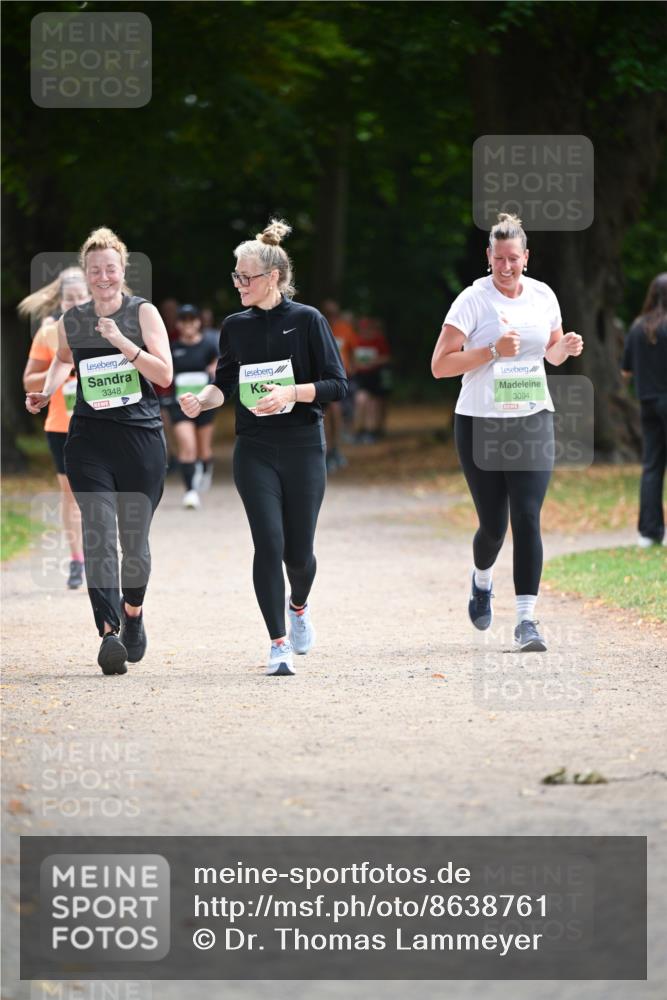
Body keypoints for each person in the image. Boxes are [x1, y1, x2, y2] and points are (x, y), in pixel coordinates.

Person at [179, 219, 347, 676]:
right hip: (254, 448)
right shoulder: (235, 326)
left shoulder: (308, 320)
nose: (237, 284)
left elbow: (337, 385)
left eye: (245, 277)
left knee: (299, 554)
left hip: (302, 446)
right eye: (235, 276)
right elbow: (225, 385)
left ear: (272, 277)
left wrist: (292, 393)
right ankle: (277, 645)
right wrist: (202, 402)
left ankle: (298, 606)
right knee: (268, 544)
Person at [431, 213, 583, 652]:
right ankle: (481, 580)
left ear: (526, 257)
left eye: (513, 258)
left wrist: (564, 349)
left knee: (528, 517)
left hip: (532, 416)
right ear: (488, 257)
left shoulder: (543, 296)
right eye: (498, 258)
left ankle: (527, 621)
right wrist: (493, 350)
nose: (506, 266)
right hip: (480, 422)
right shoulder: (472, 301)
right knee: (494, 527)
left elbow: (550, 356)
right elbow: (440, 365)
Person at [26, 227, 173, 676]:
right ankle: (108, 632)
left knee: (136, 545)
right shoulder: (74, 319)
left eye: (111, 268)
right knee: (99, 535)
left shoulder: (143, 313)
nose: (104, 276)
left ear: (123, 269)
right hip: (89, 440)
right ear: (87, 275)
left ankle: (132, 613)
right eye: (96, 270)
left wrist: (122, 343)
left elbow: (165, 374)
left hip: (141, 441)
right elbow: (64, 360)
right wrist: (45, 392)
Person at [19, 267, 89, 589]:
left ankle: (102, 554)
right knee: (71, 496)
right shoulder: (47, 335)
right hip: (61, 425)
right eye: (69, 299)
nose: (74, 304)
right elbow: (28, 380)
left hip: (99, 424)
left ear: (90, 297)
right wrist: (58, 369)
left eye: (80, 298)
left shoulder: (104, 329)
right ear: (60, 302)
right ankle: (78, 562)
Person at [621, 273, 667, 546]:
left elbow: (625, 371)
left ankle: (649, 533)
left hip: (648, 403)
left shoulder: (638, 327)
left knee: (652, 467)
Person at [169, 303, 219, 508]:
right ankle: (190, 491)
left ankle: (206, 467)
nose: (188, 324)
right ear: (179, 324)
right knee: (187, 447)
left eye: (192, 320)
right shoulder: (173, 348)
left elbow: (222, 363)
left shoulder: (209, 344)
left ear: (199, 322)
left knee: (203, 449)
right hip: (180, 404)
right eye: (184, 320)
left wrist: (215, 367)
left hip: (205, 404)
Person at [321, 299, 357, 471]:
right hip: (323, 378)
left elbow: (354, 349)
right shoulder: (317, 325)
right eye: (328, 314)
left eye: (334, 314)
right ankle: (328, 452)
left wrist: (354, 367)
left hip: (342, 377)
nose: (332, 318)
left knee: (337, 412)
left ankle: (335, 449)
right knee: (327, 415)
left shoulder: (344, 328)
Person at [353, 316, 392, 443]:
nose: (365, 331)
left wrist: (373, 362)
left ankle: (373, 430)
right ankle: (360, 430)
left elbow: (386, 357)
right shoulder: (356, 340)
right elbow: (352, 359)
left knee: (374, 404)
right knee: (361, 401)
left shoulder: (378, 340)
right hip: (362, 378)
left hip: (376, 376)